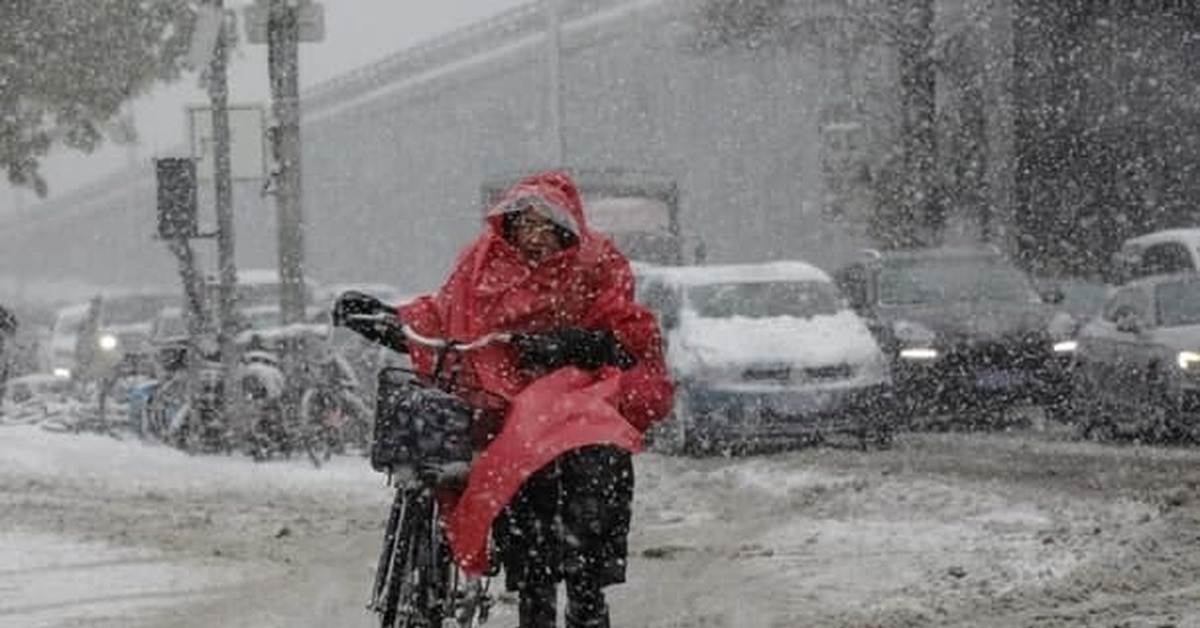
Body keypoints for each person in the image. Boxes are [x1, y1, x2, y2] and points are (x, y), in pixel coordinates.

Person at [333, 169, 674, 628]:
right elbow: (443, 317)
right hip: (500, 405)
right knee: (522, 503)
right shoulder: (482, 263)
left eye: (544, 224)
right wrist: (389, 320)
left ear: (565, 227)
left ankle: (585, 597)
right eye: (524, 222)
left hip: (580, 399)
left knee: (591, 472)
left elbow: (626, 337)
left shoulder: (597, 263)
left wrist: (565, 345)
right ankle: (536, 598)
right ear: (508, 224)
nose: (533, 235)